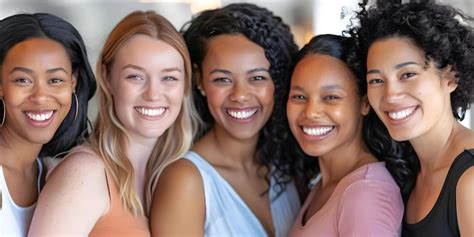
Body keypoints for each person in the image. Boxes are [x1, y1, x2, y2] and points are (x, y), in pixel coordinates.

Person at [28, 10, 199, 236]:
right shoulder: (85, 173)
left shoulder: (171, 177)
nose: (153, 94)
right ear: (107, 79)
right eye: (135, 76)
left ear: (185, 85)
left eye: (169, 78)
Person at [150, 3, 300, 237]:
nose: (240, 95)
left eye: (257, 77)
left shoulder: (286, 168)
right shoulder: (185, 181)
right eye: (222, 79)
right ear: (199, 80)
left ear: (278, 81)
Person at [349, 0, 474, 236]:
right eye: (377, 80)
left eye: (408, 74)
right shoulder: (407, 169)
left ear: (451, 77)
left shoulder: (470, 180)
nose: (390, 95)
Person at [287, 34, 404, 236]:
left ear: (365, 103)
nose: (310, 112)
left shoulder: (365, 194)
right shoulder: (324, 183)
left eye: (331, 97)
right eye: (299, 96)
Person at [0, 13, 96, 236]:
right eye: (23, 80)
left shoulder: (52, 175)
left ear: (73, 82)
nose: (40, 97)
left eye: (55, 80)